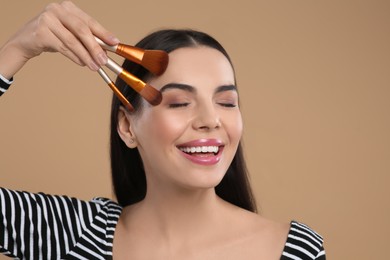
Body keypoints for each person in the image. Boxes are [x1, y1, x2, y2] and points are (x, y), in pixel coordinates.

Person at [0, 1, 326, 259]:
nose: (210, 119)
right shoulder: (73, 234)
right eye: (179, 103)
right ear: (127, 127)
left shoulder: (295, 250)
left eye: (226, 102)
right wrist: (15, 50)